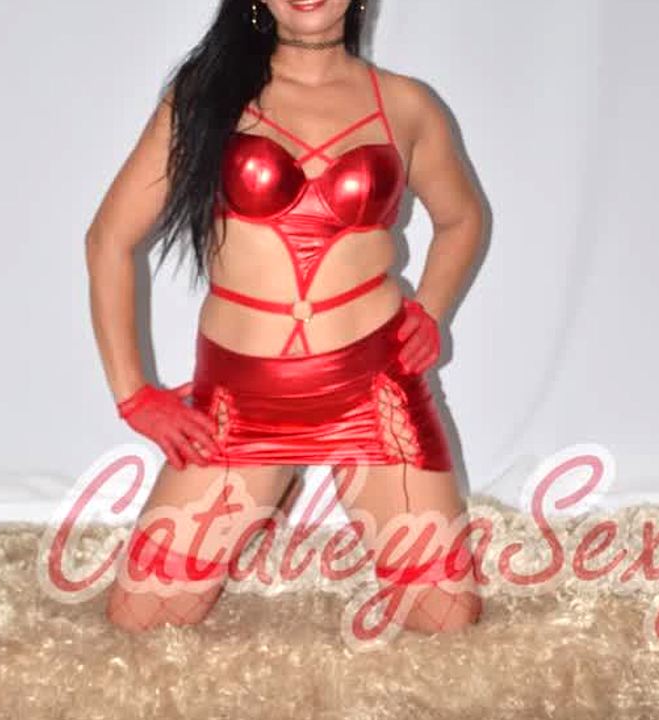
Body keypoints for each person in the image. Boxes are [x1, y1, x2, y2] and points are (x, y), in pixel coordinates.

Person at [84, 0, 485, 636]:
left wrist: (431, 310)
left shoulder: (407, 104)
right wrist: (134, 395)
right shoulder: (205, 96)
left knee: (445, 623)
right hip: (240, 405)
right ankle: (270, 488)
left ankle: (281, 498)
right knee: (140, 622)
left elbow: (462, 218)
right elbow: (109, 239)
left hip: (376, 395)